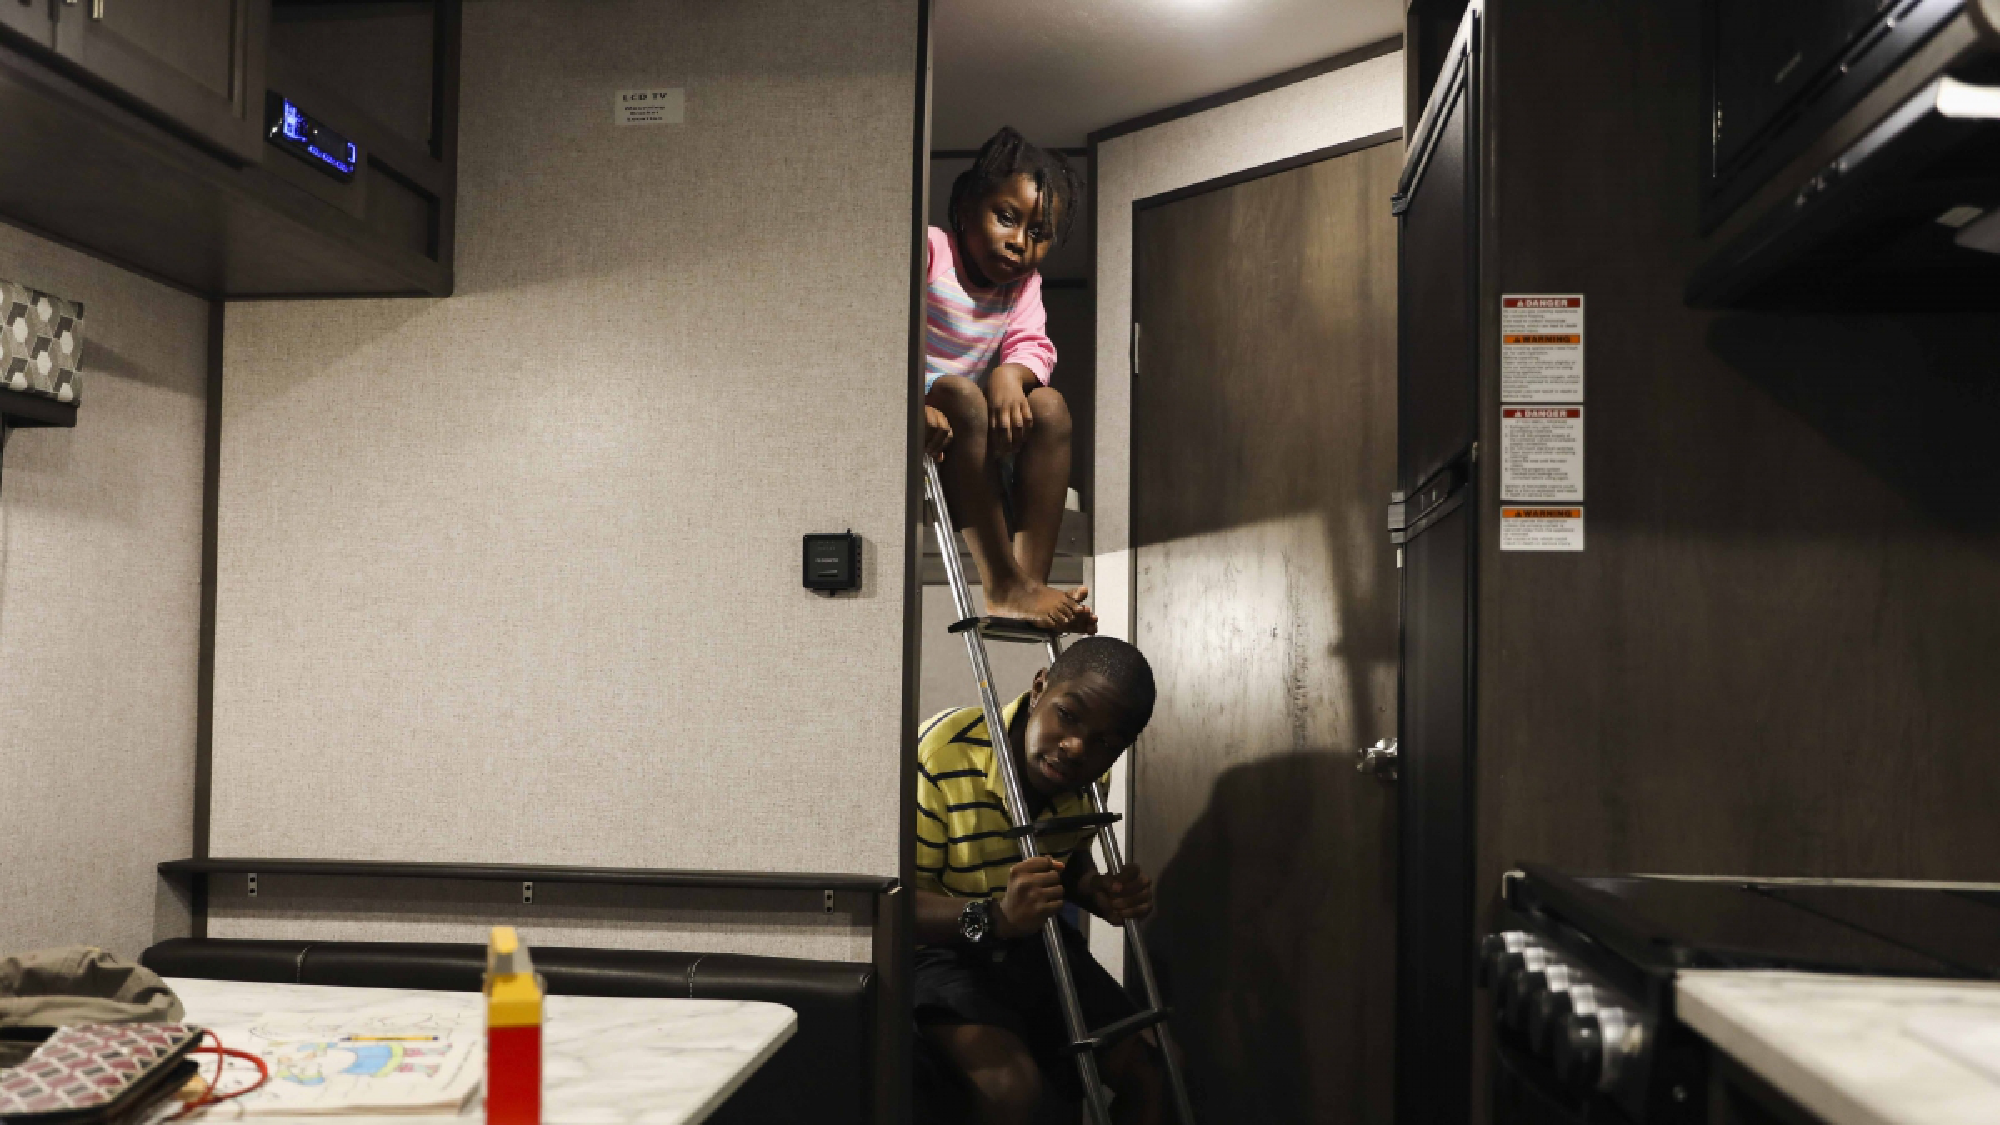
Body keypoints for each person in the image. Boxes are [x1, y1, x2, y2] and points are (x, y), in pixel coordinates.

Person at [914, 637, 1166, 1124]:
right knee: (1013, 1093)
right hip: (942, 955)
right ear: (1038, 688)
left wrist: (1096, 892)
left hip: (1036, 942)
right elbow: (895, 905)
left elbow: (1063, 864)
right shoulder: (944, 753)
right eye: (1068, 716)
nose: (1076, 749)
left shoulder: (1092, 776)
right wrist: (996, 918)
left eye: (1106, 743)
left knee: (1154, 1068)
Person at [924, 127, 1096, 634]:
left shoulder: (1023, 285)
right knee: (958, 391)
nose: (1019, 242)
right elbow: (883, 335)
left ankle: (1027, 581)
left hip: (973, 427)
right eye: (1006, 218)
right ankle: (1001, 581)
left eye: (1039, 233)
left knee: (1050, 406)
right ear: (965, 207)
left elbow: (1032, 345)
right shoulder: (932, 250)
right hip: (926, 415)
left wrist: (1011, 374)